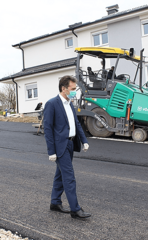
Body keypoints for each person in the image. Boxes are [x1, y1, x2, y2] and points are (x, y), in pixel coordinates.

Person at [43, 75, 91, 219]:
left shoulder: (69, 103)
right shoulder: (52, 104)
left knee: (60, 175)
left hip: (70, 144)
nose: (74, 91)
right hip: (60, 147)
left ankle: (55, 202)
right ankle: (75, 210)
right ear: (63, 89)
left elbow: (76, 124)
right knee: (69, 177)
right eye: (72, 89)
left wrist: (84, 140)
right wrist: (51, 151)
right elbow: (48, 128)